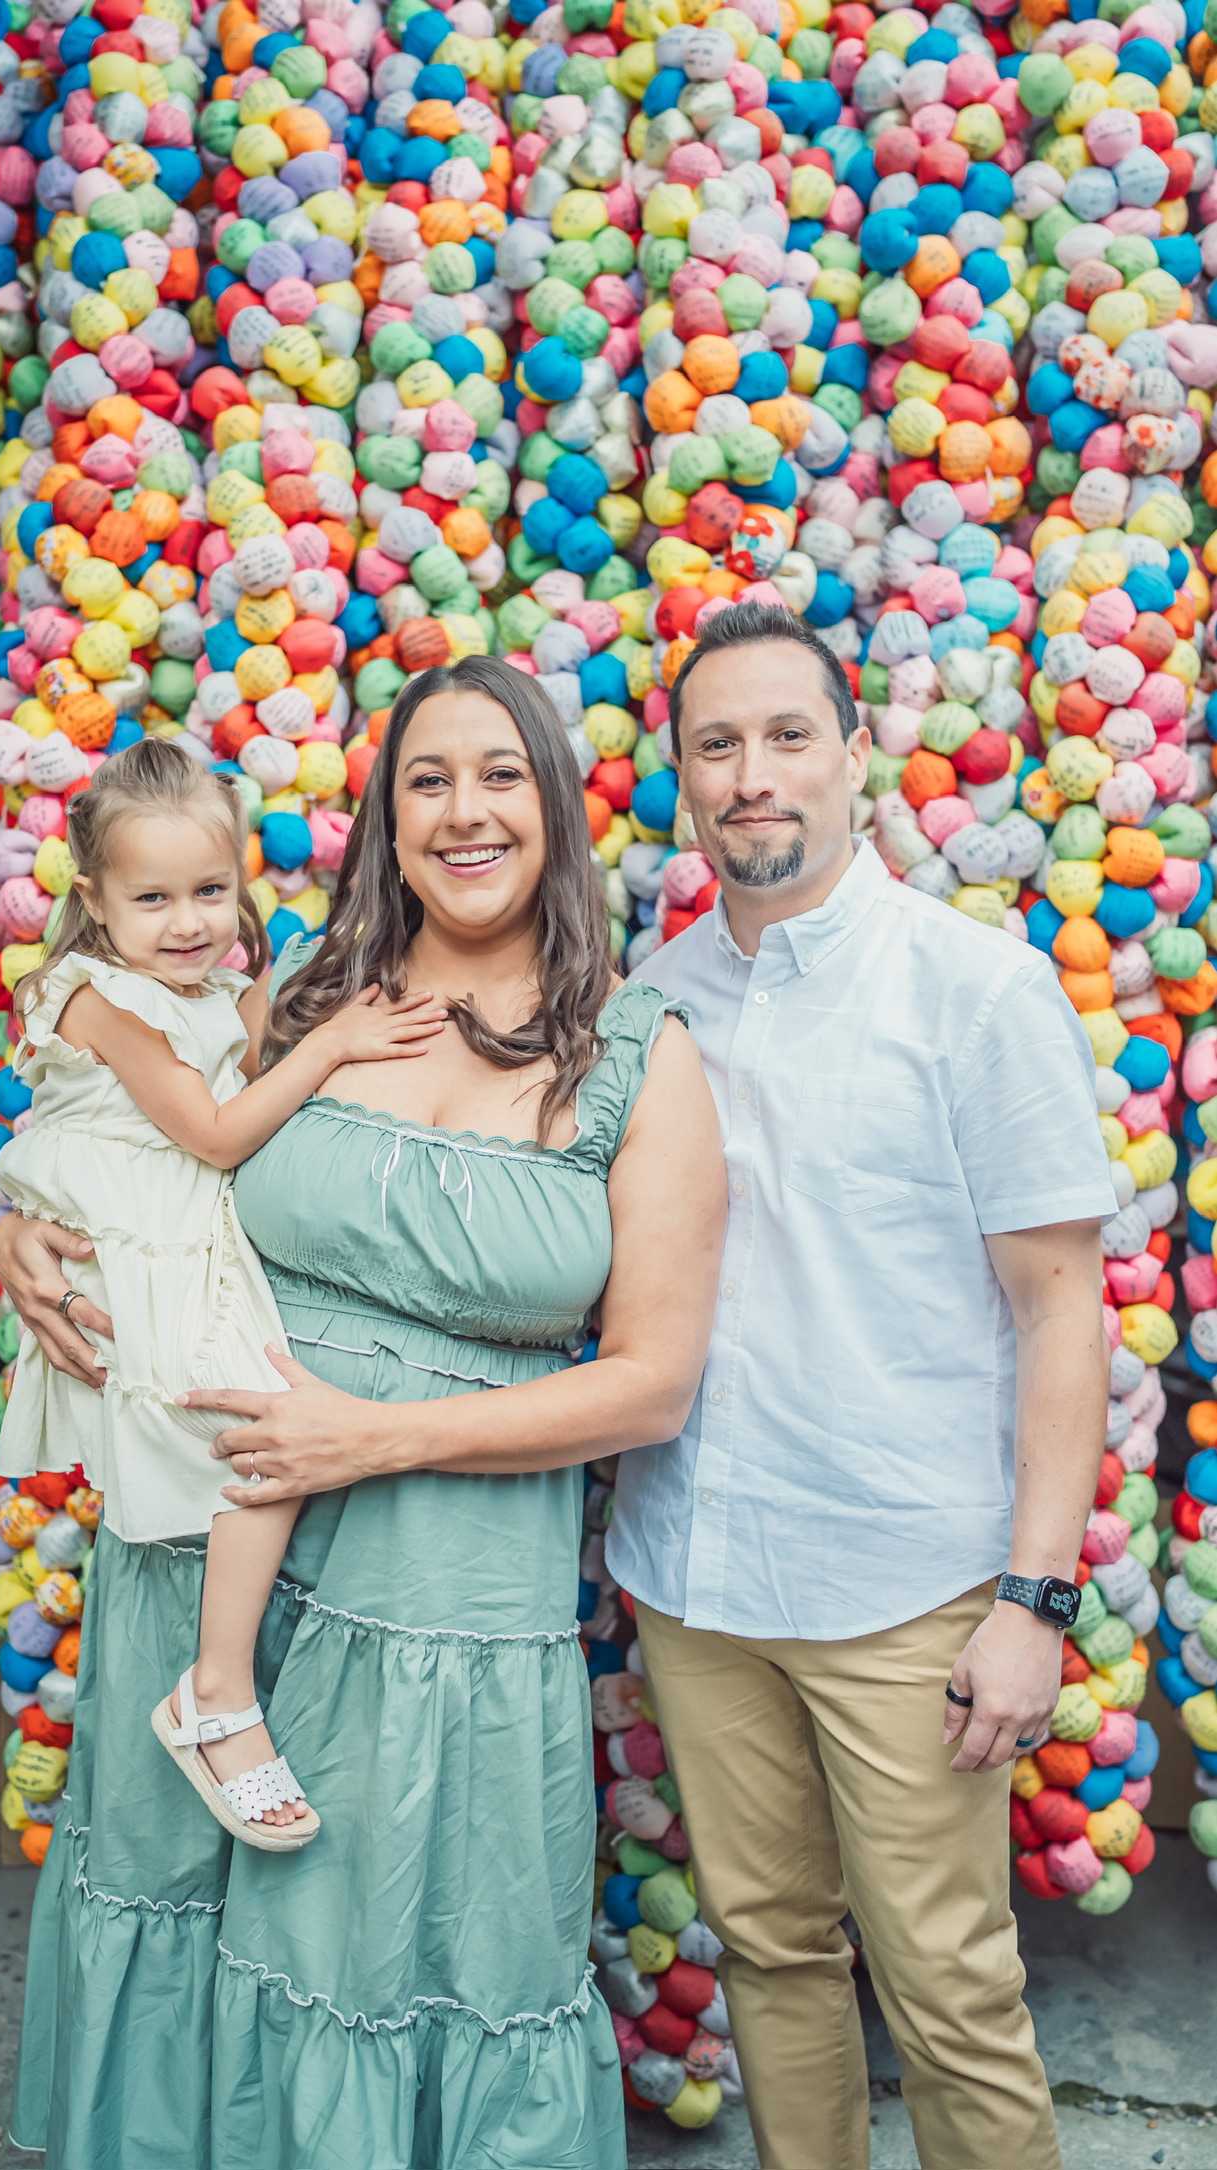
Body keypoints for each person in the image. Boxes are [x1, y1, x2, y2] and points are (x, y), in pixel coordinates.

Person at [0, 657, 727, 2170]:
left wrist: (379, 1435)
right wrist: (24, 1230)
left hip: (443, 1595)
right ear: (384, 822)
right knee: (181, 1901)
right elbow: (147, 1158)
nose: (464, 811)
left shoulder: (634, 1055)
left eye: (498, 774)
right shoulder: (308, 995)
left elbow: (652, 1379)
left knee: (389, 1948)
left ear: (555, 809)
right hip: (214, 1539)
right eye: (426, 780)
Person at [610, 603, 1118, 2170]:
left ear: (853, 756)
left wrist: (1031, 1599)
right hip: (695, 1575)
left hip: (905, 1586)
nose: (752, 775)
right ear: (684, 781)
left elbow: (1060, 1308)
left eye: (785, 736)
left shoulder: (974, 987)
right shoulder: (653, 993)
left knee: (952, 1989)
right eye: (716, 745)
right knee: (768, 1952)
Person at [0, 738, 447, 1846]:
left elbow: (247, 1047)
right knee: (265, 1450)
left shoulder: (208, 989)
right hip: (131, 1250)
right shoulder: (100, 998)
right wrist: (334, 1042)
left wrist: (321, 996)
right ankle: (217, 1689)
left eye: (209, 891)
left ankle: (217, 1682)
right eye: (152, 898)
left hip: (181, 1244)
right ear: (94, 902)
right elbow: (214, 1129)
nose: (187, 921)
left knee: (260, 1454)